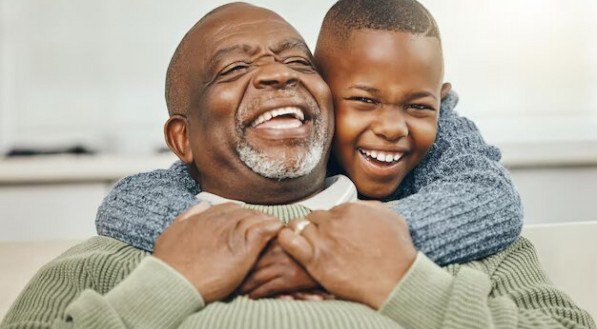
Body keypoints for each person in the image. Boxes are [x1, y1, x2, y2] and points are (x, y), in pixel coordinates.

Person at [2, 2, 594, 329]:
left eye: (295, 62)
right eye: (234, 70)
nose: (277, 74)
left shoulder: (455, 234)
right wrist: (165, 287)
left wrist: (406, 282)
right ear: (181, 138)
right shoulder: (121, 252)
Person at [95, 1, 523, 297]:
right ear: (328, 90)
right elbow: (130, 199)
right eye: (363, 100)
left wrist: (341, 252)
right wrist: (236, 250)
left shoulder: (437, 142)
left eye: (296, 64)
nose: (391, 127)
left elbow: (490, 196)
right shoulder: (245, 155)